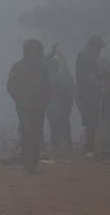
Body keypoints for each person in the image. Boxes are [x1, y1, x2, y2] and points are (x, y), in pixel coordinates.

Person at [6, 38, 50, 175]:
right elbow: (10, 86)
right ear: (26, 50)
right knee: (27, 131)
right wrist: (19, 100)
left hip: (39, 106)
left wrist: (46, 99)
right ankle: (26, 162)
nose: (34, 52)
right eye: (32, 49)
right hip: (24, 107)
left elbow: (47, 85)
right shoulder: (17, 67)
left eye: (36, 49)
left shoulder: (42, 66)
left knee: (37, 135)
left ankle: (33, 165)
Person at [75, 35, 106, 156]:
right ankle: (90, 148)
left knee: (86, 121)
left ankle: (87, 147)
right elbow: (92, 79)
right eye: (98, 49)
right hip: (91, 95)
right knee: (91, 122)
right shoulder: (88, 58)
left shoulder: (82, 55)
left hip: (85, 94)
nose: (99, 51)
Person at [45, 58, 74, 154]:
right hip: (62, 109)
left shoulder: (44, 78)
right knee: (65, 129)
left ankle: (55, 150)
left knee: (54, 130)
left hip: (50, 109)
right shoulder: (60, 77)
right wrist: (69, 104)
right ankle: (67, 150)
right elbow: (68, 92)